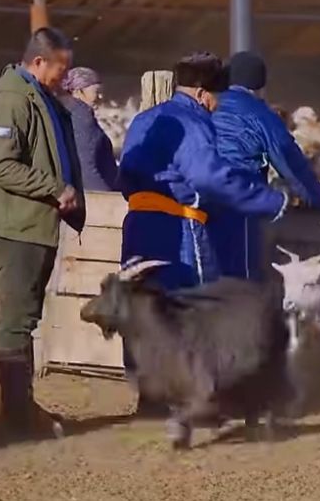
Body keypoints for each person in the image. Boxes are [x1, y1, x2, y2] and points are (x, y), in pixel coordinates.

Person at [117, 51, 288, 416]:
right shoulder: (193, 123)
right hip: (181, 227)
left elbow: (125, 172)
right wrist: (270, 201)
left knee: (142, 306)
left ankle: (149, 396)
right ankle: (195, 398)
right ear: (201, 93)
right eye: (215, 98)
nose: (216, 106)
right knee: (193, 309)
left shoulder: (144, 119)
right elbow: (210, 177)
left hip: (137, 224)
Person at [0, 27, 85, 436]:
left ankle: (18, 407)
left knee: (24, 318)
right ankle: (17, 414)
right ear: (39, 62)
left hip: (32, 223)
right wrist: (54, 188)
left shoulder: (37, 96)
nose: (65, 77)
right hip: (16, 225)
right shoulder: (12, 99)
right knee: (16, 321)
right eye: (61, 68)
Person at [211, 51, 320, 281]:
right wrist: (319, 200)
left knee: (207, 280)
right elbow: (292, 165)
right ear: (259, 86)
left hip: (198, 204)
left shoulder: (208, 107)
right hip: (241, 204)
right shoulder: (262, 115)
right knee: (242, 280)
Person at [60, 66, 118, 191]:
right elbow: (86, 167)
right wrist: (108, 197)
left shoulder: (66, 112)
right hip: (94, 194)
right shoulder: (81, 115)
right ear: (78, 92)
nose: (101, 96)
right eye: (96, 91)